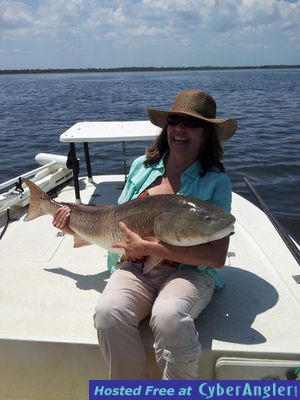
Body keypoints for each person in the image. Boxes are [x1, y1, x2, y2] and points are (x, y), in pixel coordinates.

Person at [52, 89, 237, 380]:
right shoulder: (142, 166)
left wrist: (158, 250)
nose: (180, 130)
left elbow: (216, 257)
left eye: (191, 124)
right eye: (175, 121)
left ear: (207, 134)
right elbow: (116, 218)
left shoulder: (216, 183)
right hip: (134, 266)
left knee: (169, 317)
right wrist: (73, 224)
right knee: (108, 313)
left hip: (188, 272)